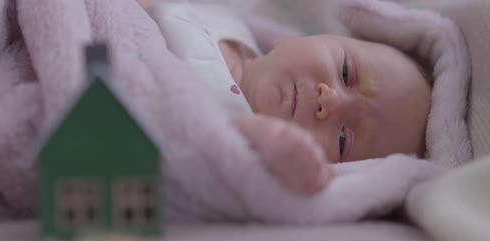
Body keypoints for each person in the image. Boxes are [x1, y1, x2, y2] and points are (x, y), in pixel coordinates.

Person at [144, 1, 432, 194]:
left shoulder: (237, 140)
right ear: (296, 39)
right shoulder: (228, 20)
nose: (329, 101)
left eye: (344, 139)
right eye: (345, 73)